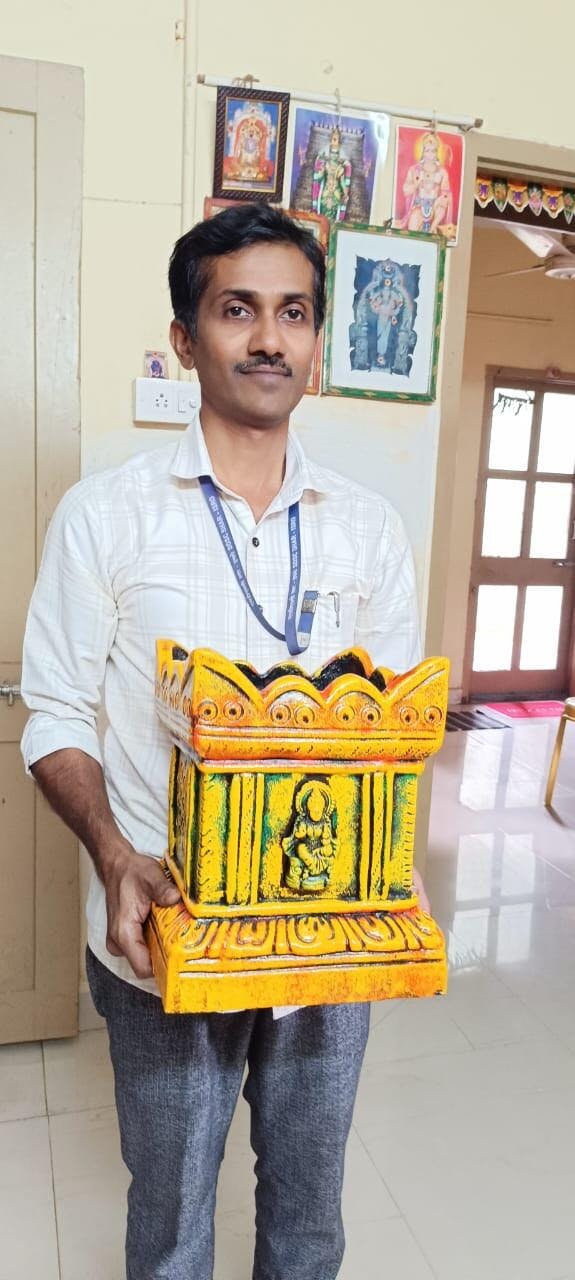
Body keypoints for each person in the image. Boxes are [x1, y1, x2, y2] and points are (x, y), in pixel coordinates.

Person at [21, 203, 426, 1280]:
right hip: (167, 936)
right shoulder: (106, 515)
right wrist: (115, 856)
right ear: (185, 337)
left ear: (317, 340)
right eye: (237, 309)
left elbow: (386, 734)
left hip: (326, 943)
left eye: (293, 313)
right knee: (169, 1222)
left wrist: (389, 875)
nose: (268, 338)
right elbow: (54, 709)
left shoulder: (369, 528)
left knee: (308, 1217)